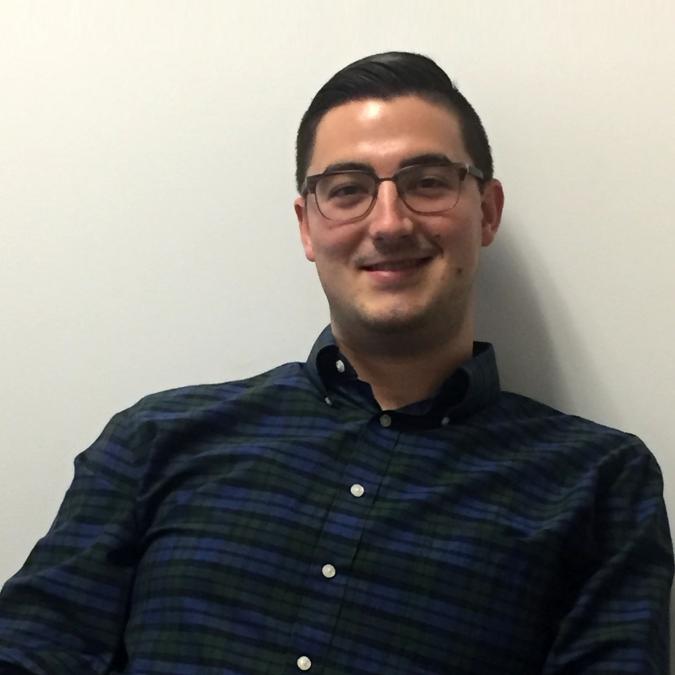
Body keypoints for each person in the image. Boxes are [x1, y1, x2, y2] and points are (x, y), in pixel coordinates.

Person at [0, 51, 672, 675]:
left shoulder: (598, 483)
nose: (389, 222)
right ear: (306, 224)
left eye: (427, 182)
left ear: (487, 212)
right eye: (348, 189)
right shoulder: (156, 439)